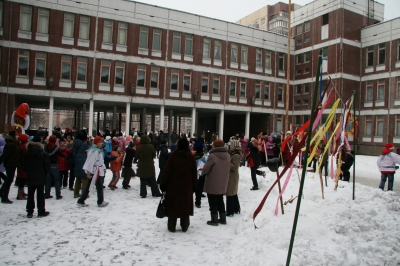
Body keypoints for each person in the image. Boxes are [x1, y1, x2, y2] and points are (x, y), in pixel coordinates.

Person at [160, 138, 197, 232]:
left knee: (173, 204)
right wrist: (194, 185)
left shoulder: (173, 155)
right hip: (187, 184)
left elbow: (167, 171)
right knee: (185, 204)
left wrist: (163, 183)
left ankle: (171, 226)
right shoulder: (190, 157)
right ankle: (185, 225)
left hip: (173, 184)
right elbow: (194, 173)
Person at [202, 139, 230, 226]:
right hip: (223, 181)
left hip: (213, 182)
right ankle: (223, 218)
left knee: (212, 201)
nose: (212, 145)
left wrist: (203, 171)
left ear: (216, 146)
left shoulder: (212, 156)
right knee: (220, 200)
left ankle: (214, 220)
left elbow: (206, 169)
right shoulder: (228, 155)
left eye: (213, 144)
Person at [22, 136, 51, 218]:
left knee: (30, 194)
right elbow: (47, 165)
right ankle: (41, 211)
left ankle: (29, 211)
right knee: (40, 194)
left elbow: (22, 164)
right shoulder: (43, 153)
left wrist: (26, 171)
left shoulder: (26, 152)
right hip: (40, 175)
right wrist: (46, 173)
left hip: (30, 175)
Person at [77, 136, 108, 207]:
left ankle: (81, 200)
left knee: (91, 186)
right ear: (97, 143)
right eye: (100, 142)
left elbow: (100, 161)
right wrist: (89, 172)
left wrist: (103, 168)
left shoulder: (98, 150)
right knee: (98, 186)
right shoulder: (93, 151)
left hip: (97, 170)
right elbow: (90, 162)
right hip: (94, 171)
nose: (101, 143)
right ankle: (100, 201)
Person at [0, 131, 21, 204]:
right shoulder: (10, 144)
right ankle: (4, 197)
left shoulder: (14, 143)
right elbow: (5, 155)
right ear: (13, 136)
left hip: (12, 163)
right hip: (10, 164)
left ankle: (2, 193)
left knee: (9, 180)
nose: (17, 136)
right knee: (9, 180)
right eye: (16, 135)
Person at [44, 135, 65, 200]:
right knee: (57, 180)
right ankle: (58, 195)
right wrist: (64, 157)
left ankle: (47, 194)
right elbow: (60, 154)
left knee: (48, 181)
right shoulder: (56, 147)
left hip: (47, 165)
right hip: (54, 165)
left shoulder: (45, 147)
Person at [72, 130, 90, 198]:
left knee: (78, 179)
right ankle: (84, 193)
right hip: (83, 163)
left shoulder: (75, 144)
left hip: (76, 162)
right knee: (85, 178)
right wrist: (89, 142)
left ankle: (76, 193)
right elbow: (90, 149)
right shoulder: (83, 144)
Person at [226, 139, 241, 217]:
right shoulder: (232, 154)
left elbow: (235, 167)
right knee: (233, 193)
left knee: (230, 193)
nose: (230, 146)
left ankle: (230, 211)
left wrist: (227, 162)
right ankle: (236, 208)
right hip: (231, 176)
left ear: (235, 146)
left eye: (231, 145)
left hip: (232, 176)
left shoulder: (236, 155)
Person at [16, 134, 29, 200]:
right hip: (23, 165)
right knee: (22, 179)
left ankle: (21, 192)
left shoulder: (20, 145)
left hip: (21, 165)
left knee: (22, 179)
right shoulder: (24, 146)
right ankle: (20, 194)